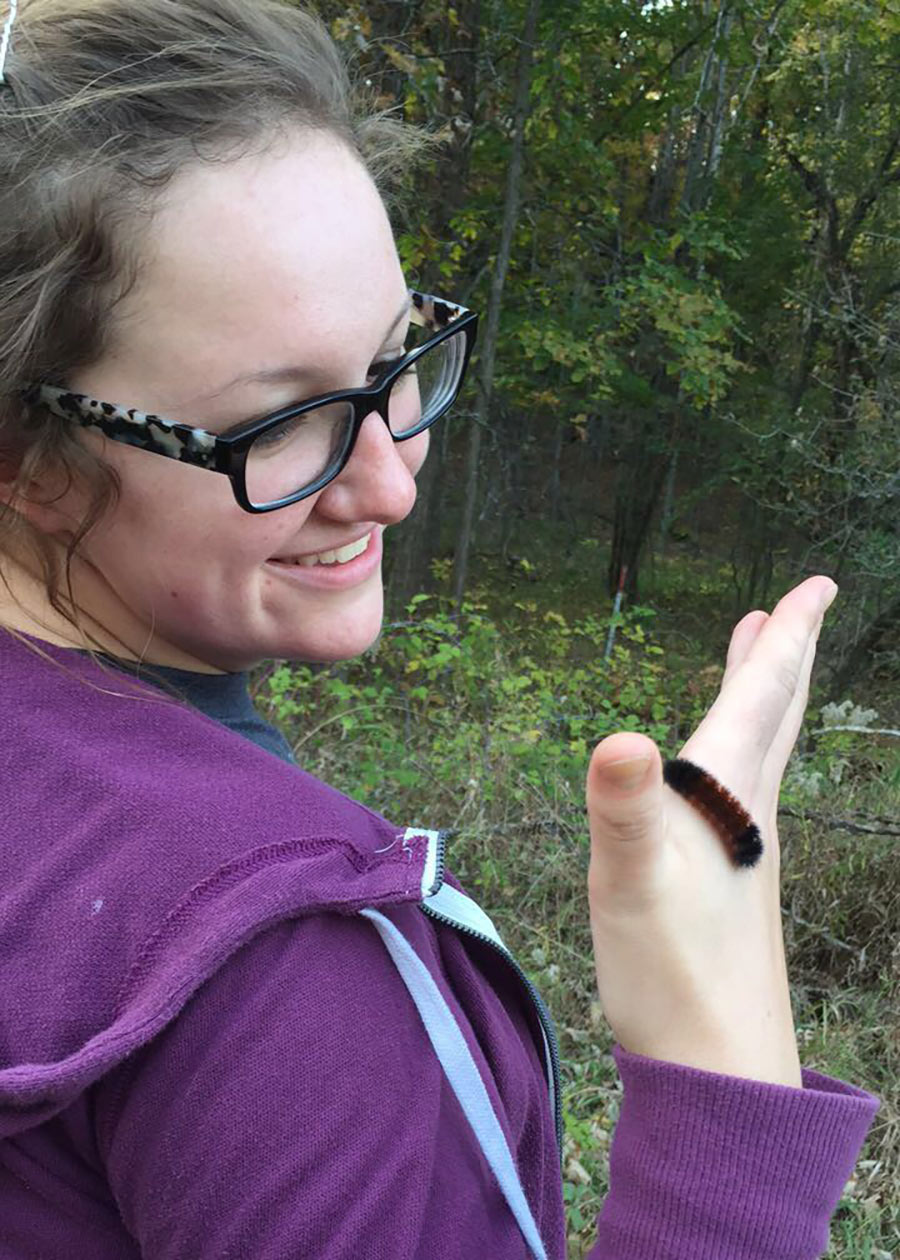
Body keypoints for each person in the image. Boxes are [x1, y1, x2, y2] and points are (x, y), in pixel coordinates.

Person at [0, 2, 879, 1257]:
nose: (394, 483)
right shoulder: (285, 974)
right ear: (26, 456)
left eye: (396, 357)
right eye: (281, 424)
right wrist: (723, 1043)